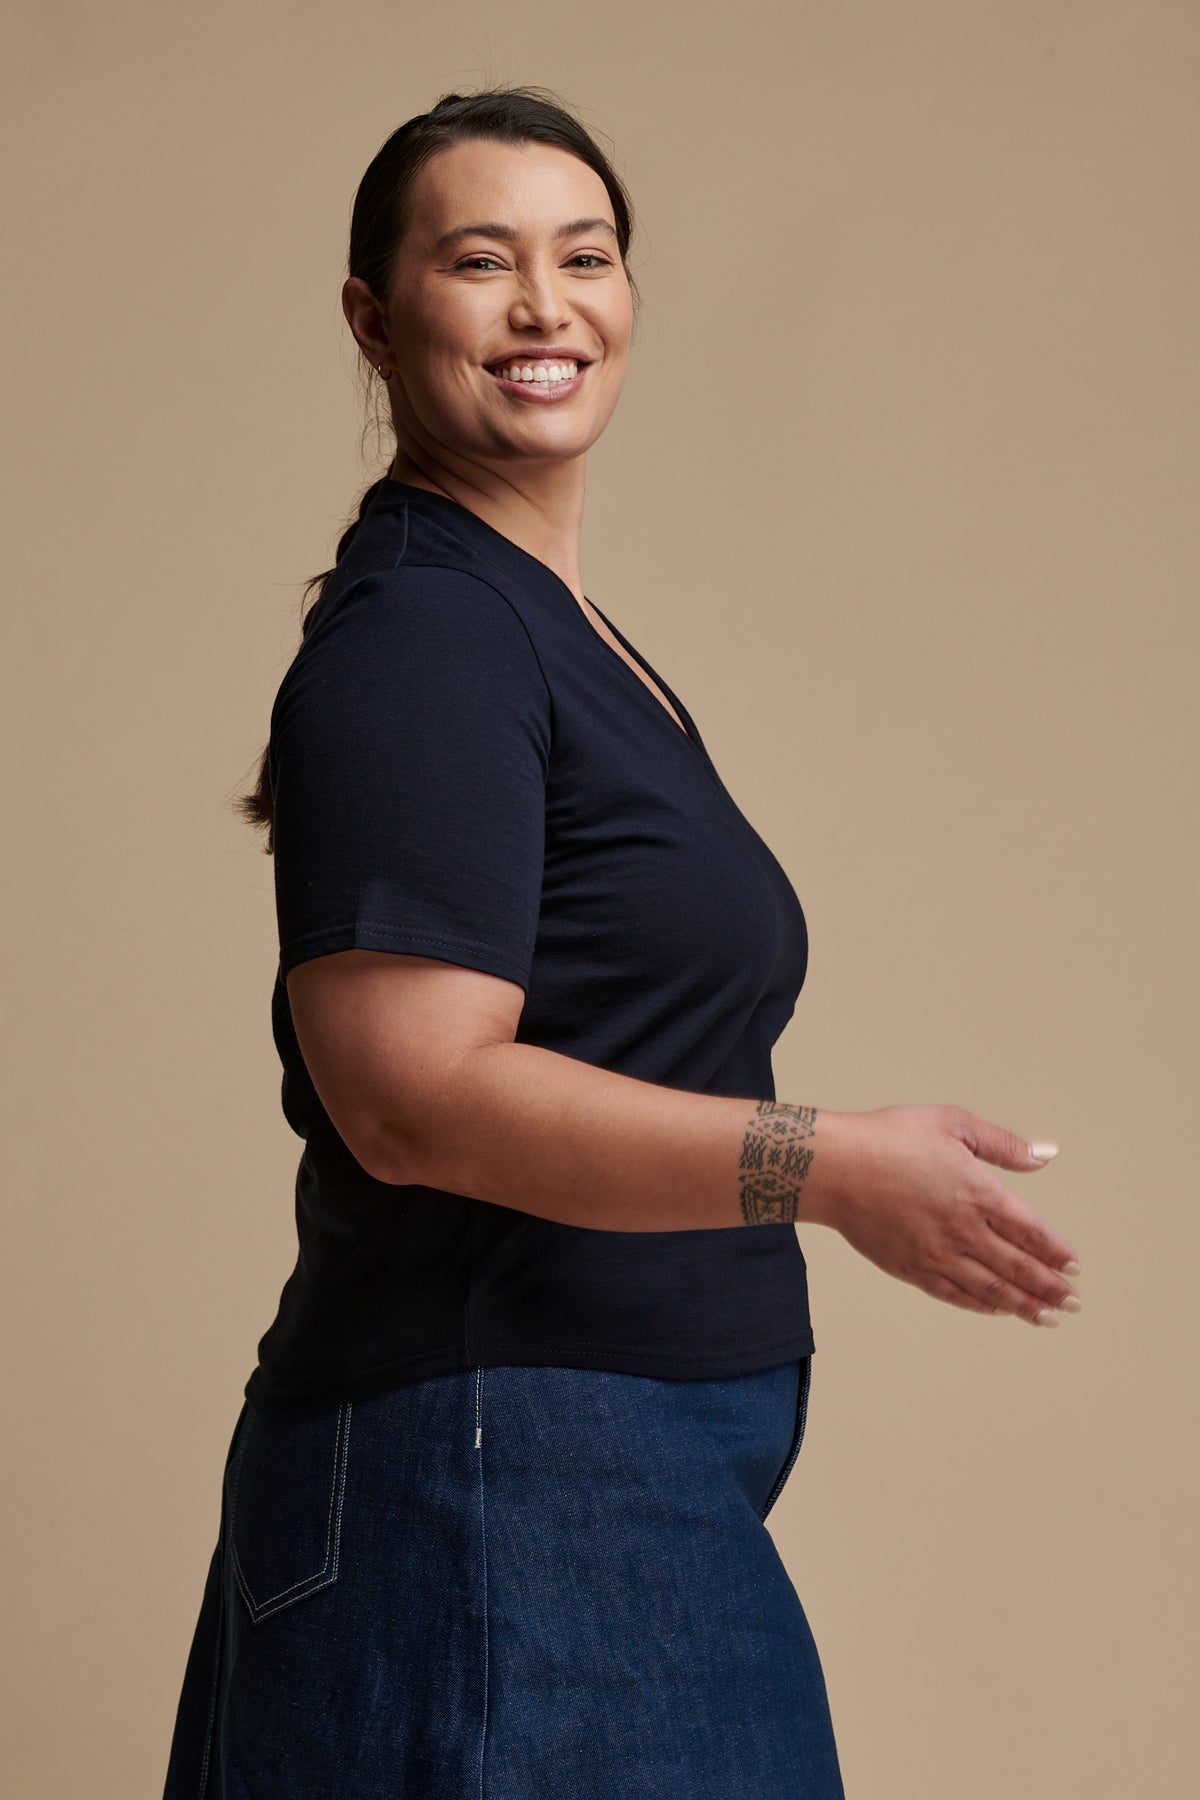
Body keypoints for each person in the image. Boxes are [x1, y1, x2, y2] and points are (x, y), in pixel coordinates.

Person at [162, 85, 1083, 1799]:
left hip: (601, 1480)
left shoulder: (543, 625)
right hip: (501, 1493)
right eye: (478, 260)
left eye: (584, 255)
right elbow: (413, 1101)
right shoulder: (426, 634)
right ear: (375, 317)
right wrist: (827, 1167)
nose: (543, 306)